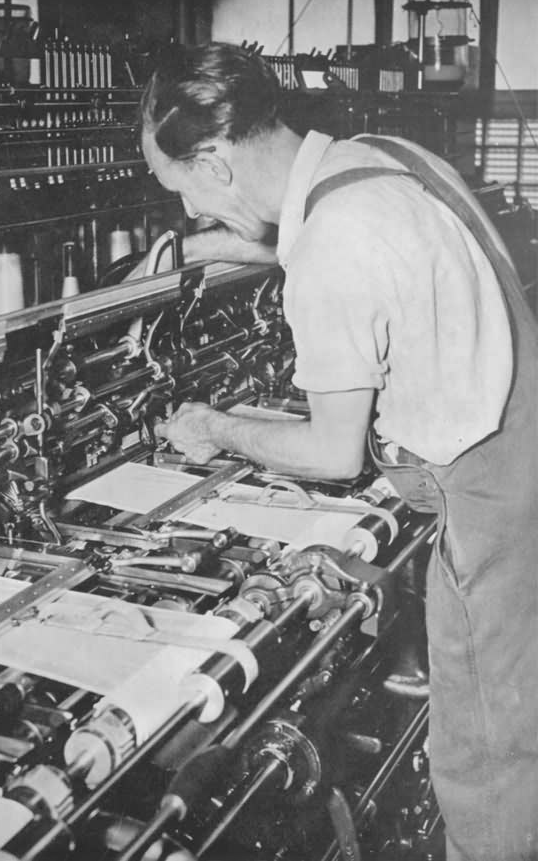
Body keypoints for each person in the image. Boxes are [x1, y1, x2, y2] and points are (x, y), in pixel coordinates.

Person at [139, 42, 538, 861]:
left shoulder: (332, 246)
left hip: (497, 496)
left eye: (182, 193)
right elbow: (360, 246)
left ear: (212, 161)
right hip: (521, 441)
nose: (186, 216)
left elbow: (331, 453)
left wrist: (212, 427)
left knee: (488, 761)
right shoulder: (378, 157)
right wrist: (222, 251)